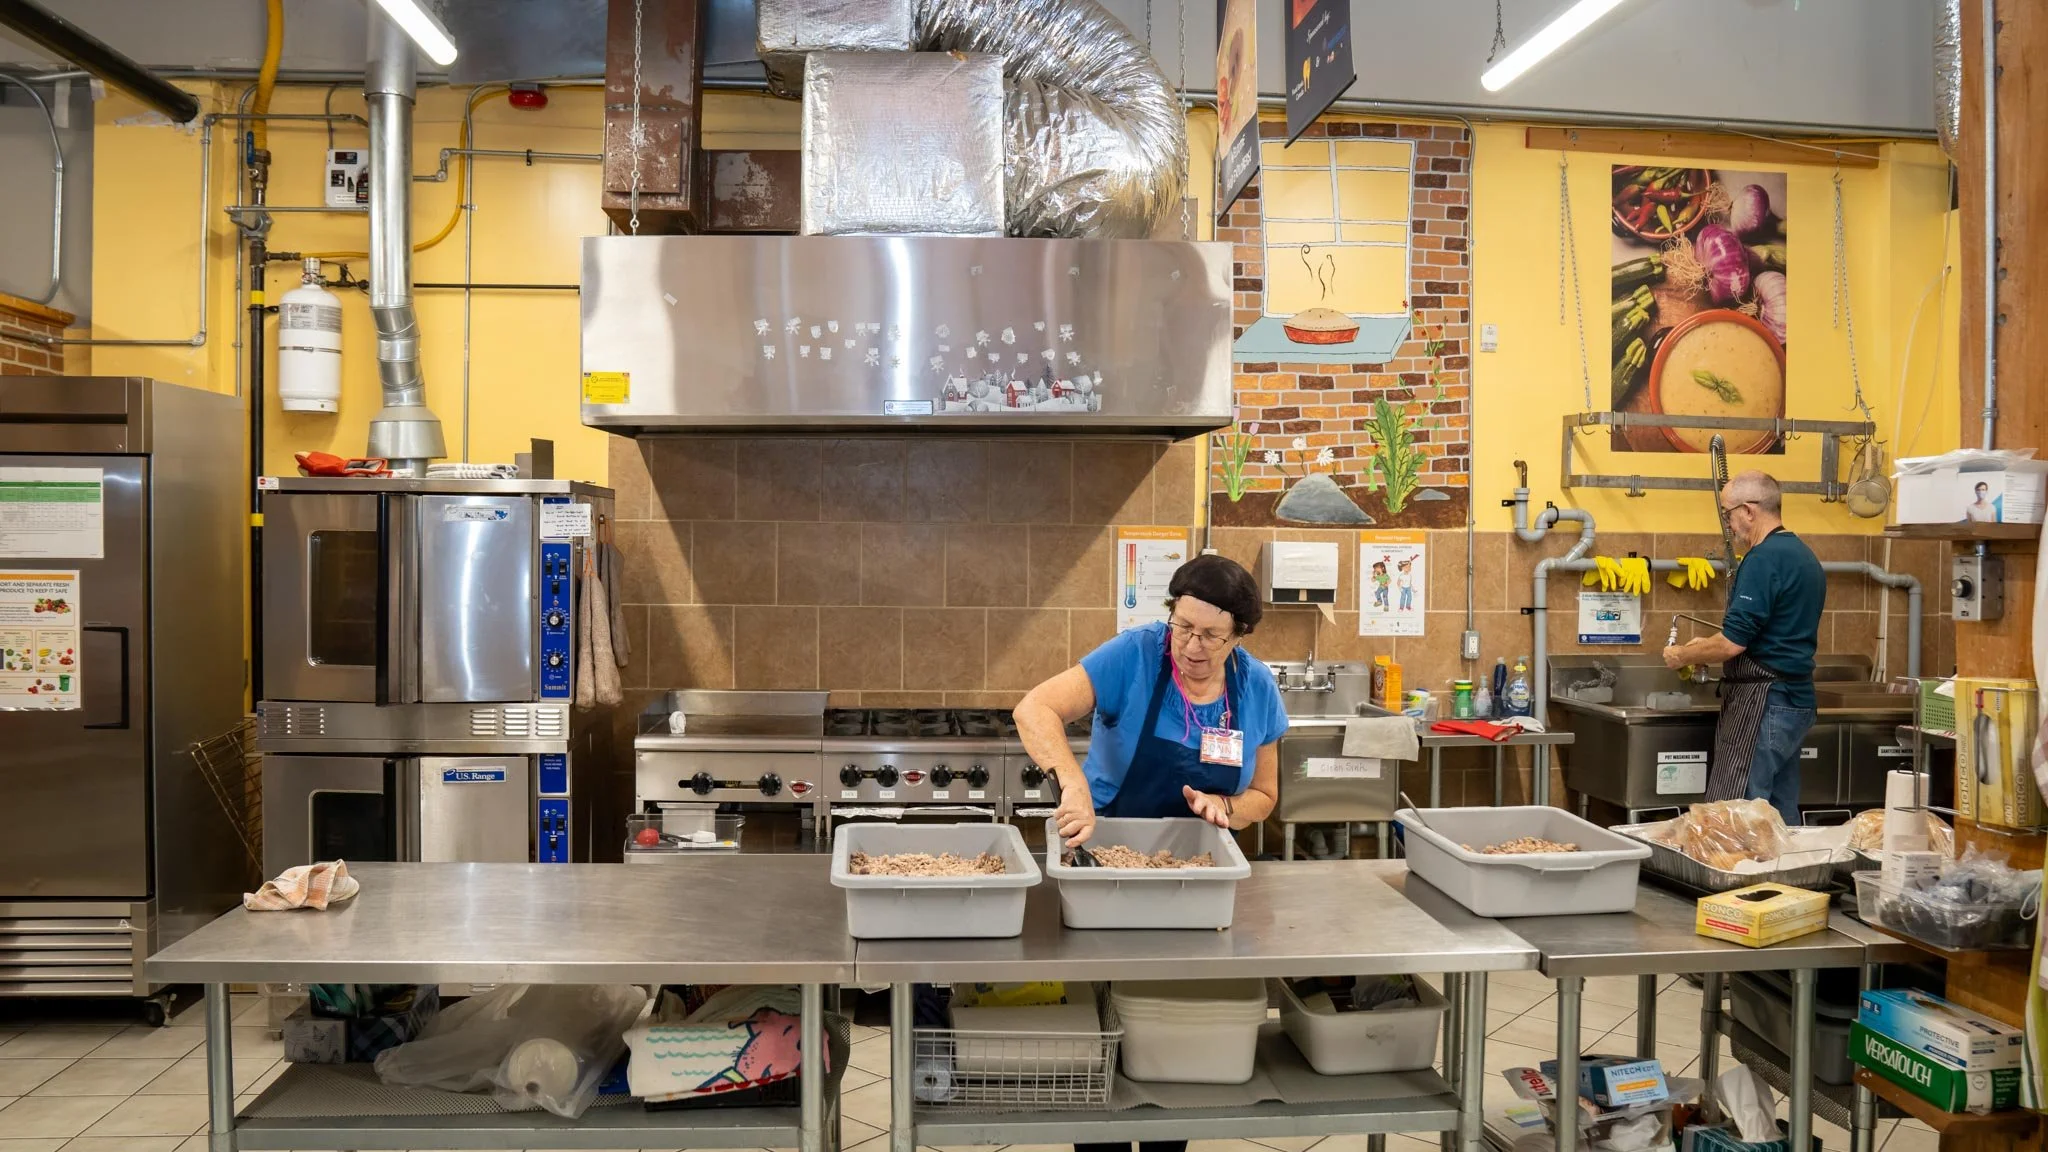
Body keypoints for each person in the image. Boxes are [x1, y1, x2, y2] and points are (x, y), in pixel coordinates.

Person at [1015, 555, 1287, 1152]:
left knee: (1169, 1032)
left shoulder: (1255, 687)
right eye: (1182, 626)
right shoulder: (1135, 655)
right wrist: (1073, 781)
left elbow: (1265, 794)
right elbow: (1033, 709)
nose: (1191, 645)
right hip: (1105, 872)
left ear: (1239, 635)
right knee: (1103, 1029)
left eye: (1211, 635)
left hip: (1193, 881)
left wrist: (1229, 811)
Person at [1662, 471, 1825, 825]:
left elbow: (1733, 643)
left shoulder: (1764, 558)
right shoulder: (1804, 556)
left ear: (1749, 511)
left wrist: (1683, 655)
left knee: (1737, 815)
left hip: (1764, 703)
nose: (1729, 525)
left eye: (1728, 514)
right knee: (1780, 815)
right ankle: (1789, 878)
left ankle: (1740, 880)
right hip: (1795, 702)